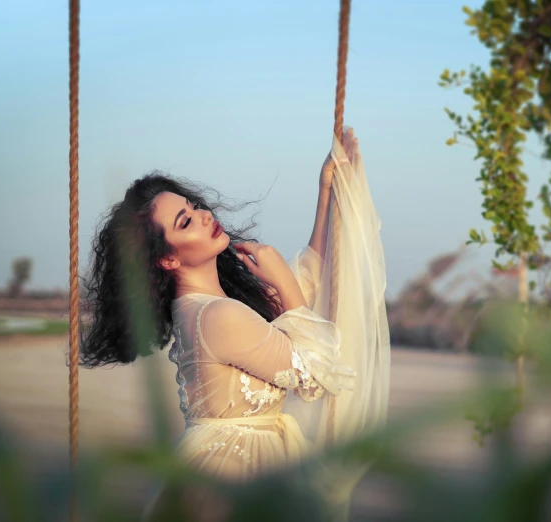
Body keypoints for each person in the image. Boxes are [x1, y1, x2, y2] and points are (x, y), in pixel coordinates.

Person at [81, 128, 391, 520]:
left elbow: (304, 287)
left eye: (194, 206)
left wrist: (326, 193)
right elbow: (315, 377)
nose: (204, 215)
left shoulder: (207, 307)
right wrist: (279, 277)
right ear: (168, 260)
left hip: (242, 466)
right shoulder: (217, 316)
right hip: (235, 478)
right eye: (185, 221)